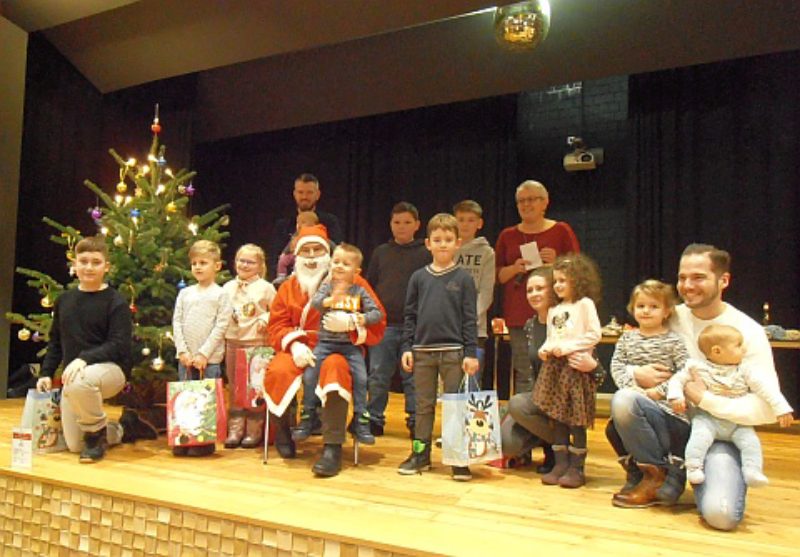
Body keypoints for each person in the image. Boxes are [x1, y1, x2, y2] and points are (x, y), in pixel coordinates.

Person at [609, 244, 788, 530]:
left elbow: (765, 409)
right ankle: (661, 477)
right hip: (673, 423)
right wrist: (635, 372)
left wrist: (703, 399)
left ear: (723, 281)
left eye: (698, 277)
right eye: (682, 278)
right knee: (625, 402)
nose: (688, 286)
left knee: (722, 516)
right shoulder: (668, 315)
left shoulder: (747, 330)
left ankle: (692, 475)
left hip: (720, 432)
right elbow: (630, 350)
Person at [263, 224, 386, 477]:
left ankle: (332, 446)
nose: (310, 256)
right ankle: (284, 431)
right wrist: (294, 344)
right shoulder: (287, 286)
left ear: (327, 254)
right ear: (296, 256)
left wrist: (353, 323)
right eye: (304, 251)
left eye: (316, 250)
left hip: (338, 346)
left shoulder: (355, 283)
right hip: (299, 346)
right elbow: (276, 325)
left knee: (336, 370)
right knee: (278, 370)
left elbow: (379, 320)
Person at [398, 213, 479, 481]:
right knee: (422, 406)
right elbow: (409, 316)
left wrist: (470, 352)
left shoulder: (464, 279)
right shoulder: (418, 278)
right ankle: (420, 453)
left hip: (453, 352)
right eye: (437, 239)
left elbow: (470, 319)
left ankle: (457, 457)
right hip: (422, 352)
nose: (443, 244)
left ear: (457, 243)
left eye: (448, 239)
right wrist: (407, 347)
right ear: (428, 243)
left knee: (455, 406)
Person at [35, 235, 132, 463]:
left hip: (110, 372)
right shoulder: (64, 300)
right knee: (74, 445)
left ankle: (95, 433)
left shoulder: (116, 302)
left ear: (106, 267)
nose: (89, 267)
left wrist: (84, 359)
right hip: (76, 378)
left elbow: (119, 345)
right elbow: (56, 342)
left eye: (96, 262)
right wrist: (47, 373)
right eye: (84, 261)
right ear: (75, 265)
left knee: (80, 381)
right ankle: (122, 428)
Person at [501, 267, 604, 475]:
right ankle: (552, 446)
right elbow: (531, 372)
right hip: (544, 395)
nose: (534, 294)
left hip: (569, 392)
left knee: (524, 407)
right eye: (530, 290)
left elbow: (599, 375)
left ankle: (567, 456)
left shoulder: (574, 317)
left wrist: (593, 367)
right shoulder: (530, 325)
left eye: (540, 288)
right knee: (507, 440)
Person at [667, 324, 793, 486]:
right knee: (699, 438)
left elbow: (766, 389)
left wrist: (781, 408)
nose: (744, 350)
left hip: (737, 423)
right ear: (717, 351)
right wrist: (676, 396)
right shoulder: (696, 367)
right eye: (738, 346)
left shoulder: (744, 370)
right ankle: (693, 467)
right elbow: (677, 380)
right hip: (707, 418)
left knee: (751, 442)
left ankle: (752, 471)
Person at [293, 243, 384, 445]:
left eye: (345, 263)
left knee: (361, 378)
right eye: (336, 262)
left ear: (357, 271)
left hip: (350, 346)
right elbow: (315, 303)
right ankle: (308, 415)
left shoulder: (360, 289)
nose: (339, 266)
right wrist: (328, 300)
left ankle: (361, 419)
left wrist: (360, 319)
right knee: (310, 375)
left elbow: (377, 313)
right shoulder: (327, 286)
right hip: (325, 343)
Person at [495, 180, 580, 395]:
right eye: (521, 201)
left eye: (532, 199)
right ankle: (527, 422)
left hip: (555, 313)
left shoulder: (561, 230)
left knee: (554, 369)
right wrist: (515, 268)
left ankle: (552, 422)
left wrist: (557, 262)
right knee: (524, 372)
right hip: (518, 314)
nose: (526, 204)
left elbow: (578, 270)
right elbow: (498, 276)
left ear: (545, 202)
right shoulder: (508, 235)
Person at [608, 279, 689, 495]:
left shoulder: (674, 341)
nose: (646, 311)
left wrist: (659, 392)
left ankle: (660, 473)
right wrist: (633, 389)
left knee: (626, 406)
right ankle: (637, 473)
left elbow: (684, 371)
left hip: (667, 412)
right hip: (635, 399)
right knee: (613, 427)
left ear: (667, 311)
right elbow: (617, 366)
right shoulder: (627, 338)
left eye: (654, 306)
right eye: (641, 306)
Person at [531, 253, 602, 488]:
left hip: (575, 368)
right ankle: (560, 463)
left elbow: (594, 335)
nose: (559, 285)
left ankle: (576, 467)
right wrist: (545, 348)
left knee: (576, 420)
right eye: (556, 281)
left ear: (577, 280)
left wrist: (569, 347)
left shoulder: (584, 305)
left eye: (564, 280)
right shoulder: (554, 310)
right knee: (557, 419)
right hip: (556, 369)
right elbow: (552, 337)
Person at [365, 202, 431, 437]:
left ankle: (415, 420)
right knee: (378, 374)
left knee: (413, 378)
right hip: (384, 325)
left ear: (417, 225)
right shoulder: (381, 252)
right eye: (396, 222)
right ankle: (374, 419)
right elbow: (369, 286)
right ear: (390, 225)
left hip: (414, 327)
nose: (401, 227)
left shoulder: (426, 253)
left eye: (406, 223)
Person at [171, 239, 232, 456]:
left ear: (216, 266)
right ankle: (184, 438)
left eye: (203, 262)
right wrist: (183, 351)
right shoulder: (185, 293)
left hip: (209, 360)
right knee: (186, 398)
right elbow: (177, 322)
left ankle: (203, 441)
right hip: (187, 359)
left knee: (206, 400)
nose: (197, 267)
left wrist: (204, 353)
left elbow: (221, 325)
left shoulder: (221, 294)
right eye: (194, 263)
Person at [222, 244, 277, 449]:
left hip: (256, 344)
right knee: (235, 388)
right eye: (241, 260)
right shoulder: (228, 287)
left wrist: (266, 317)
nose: (244, 265)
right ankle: (235, 429)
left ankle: (254, 429)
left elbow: (277, 310)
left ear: (260, 265)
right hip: (233, 342)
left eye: (250, 262)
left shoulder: (266, 287)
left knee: (254, 388)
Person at [269, 173, 343, 280]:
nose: (304, 197)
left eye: (309, 193)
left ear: (317, 195)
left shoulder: (330, 222)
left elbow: (337, 253)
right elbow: (274, 257)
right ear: (294, 194)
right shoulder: (283, 224)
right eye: (300, 192)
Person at [453, 199, 495, 387]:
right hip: (448, 325)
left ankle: (471, 416)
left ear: (479, 223)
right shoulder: (448, 248)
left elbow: (486, 291)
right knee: (450, 379)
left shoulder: (487, 253)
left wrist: (469, 316)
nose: (465, 224)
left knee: (471, 380)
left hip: (475, 326)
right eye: (461, 219)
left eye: (471, 220)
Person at [274, 211, 320, 287]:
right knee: (282, 260)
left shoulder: (316, 235)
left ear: (313, 225)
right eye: (297, 222)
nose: (299, 225)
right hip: (293, 254)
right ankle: (281, 276)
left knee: (299, 262)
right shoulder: (296, 234)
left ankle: (295, 275)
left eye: (303, 222)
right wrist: (284, 253)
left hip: (305, 257)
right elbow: (289, 245)